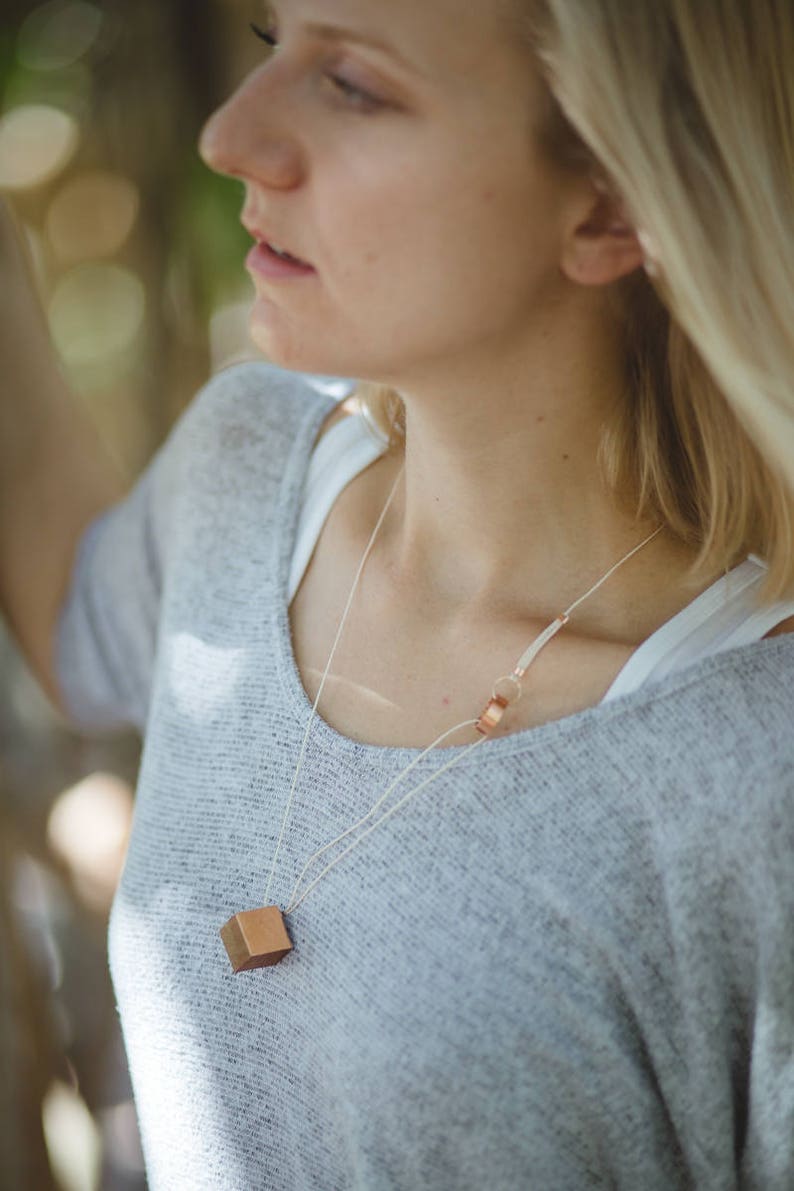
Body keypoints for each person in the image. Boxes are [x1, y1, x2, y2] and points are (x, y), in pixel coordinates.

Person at [2, 0, 793, 1187]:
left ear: (610, 201)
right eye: (277, 44)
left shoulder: (751, 780)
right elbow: (82, 628)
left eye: (355, 85)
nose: (230, 134)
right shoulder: (242, 472)